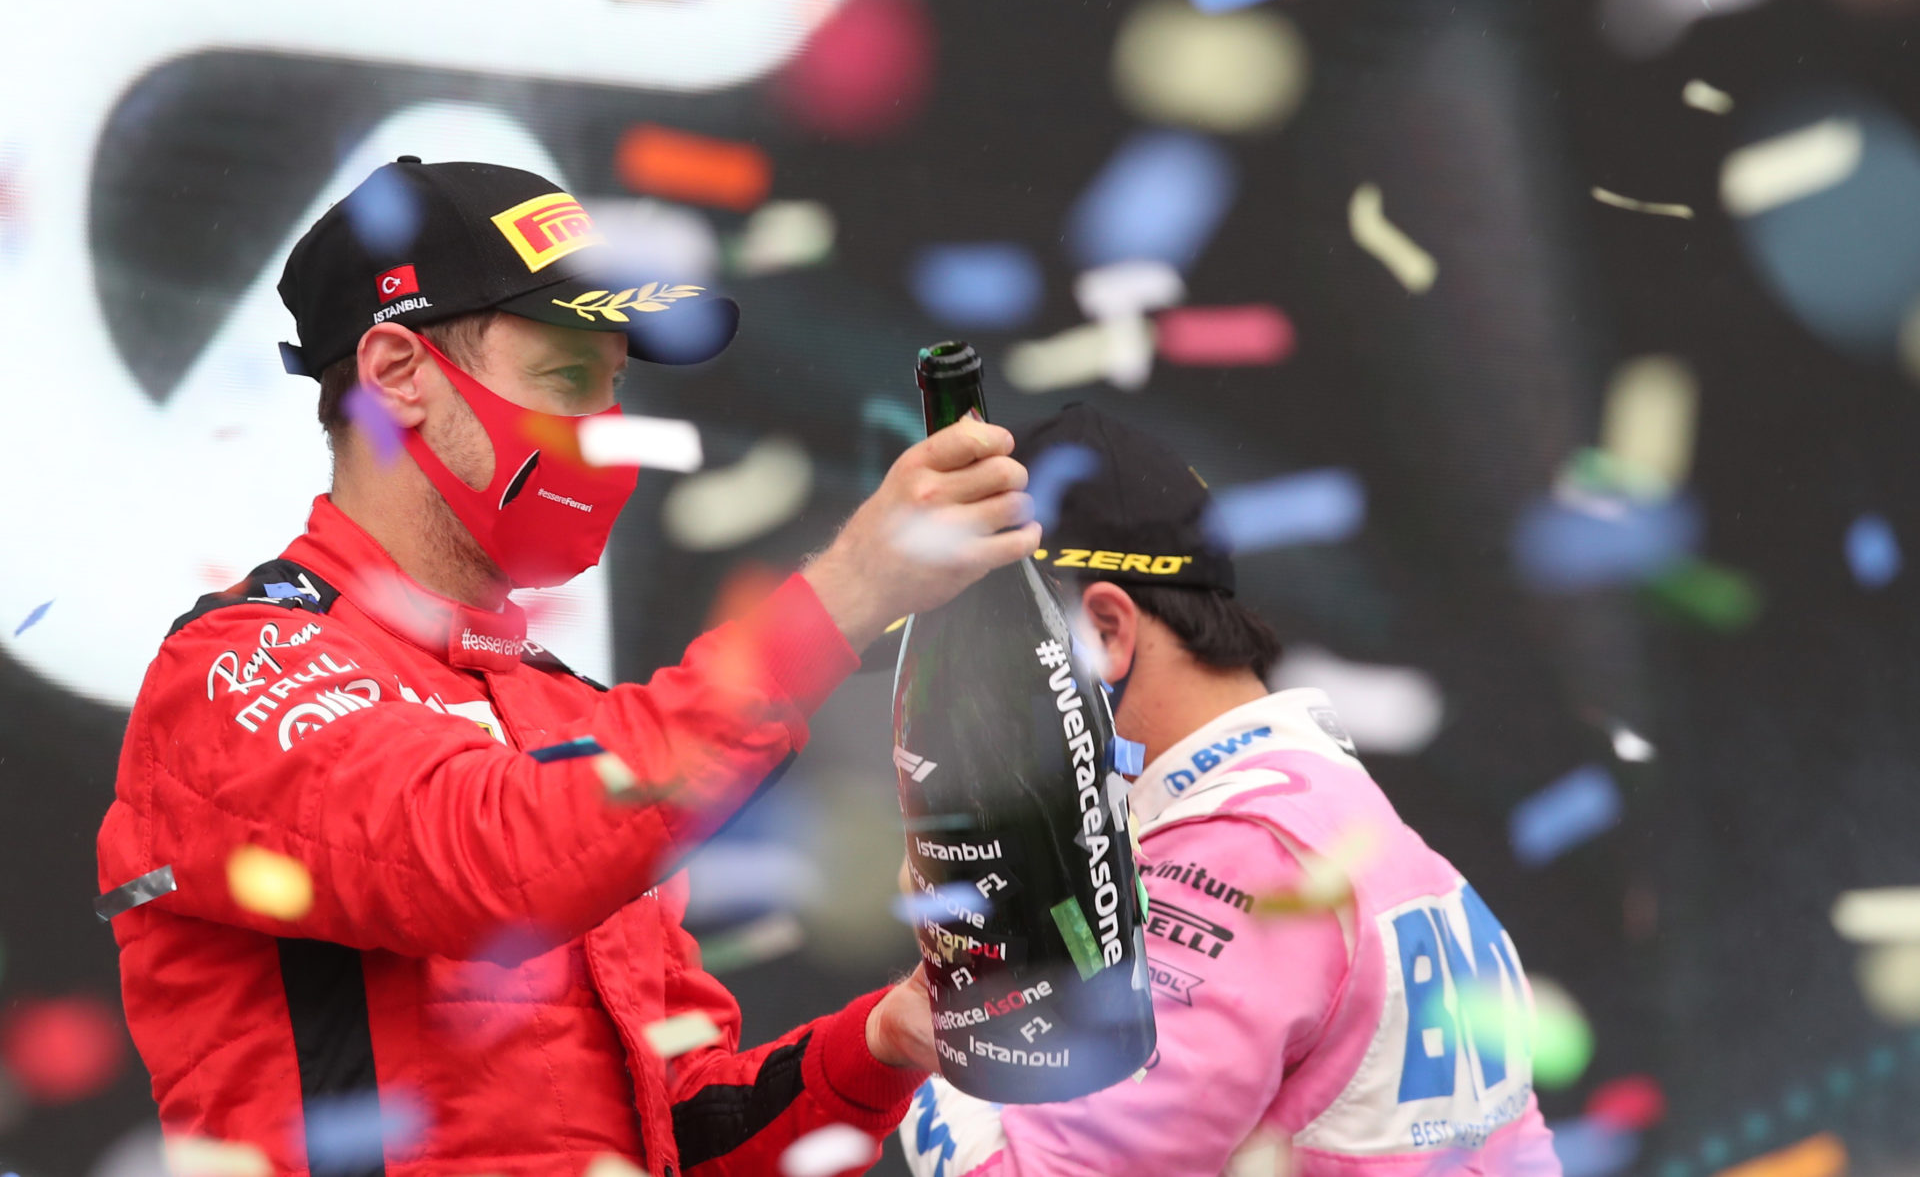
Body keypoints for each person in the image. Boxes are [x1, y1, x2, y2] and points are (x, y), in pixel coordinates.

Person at [95, 158, 1041, 1177]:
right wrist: (847, 589)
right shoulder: (234, 671)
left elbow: (674, 1132)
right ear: (395, 373)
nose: (604, 431)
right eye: (564, 380)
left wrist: (882, 1040)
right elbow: (496, 867)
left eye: (613, 385)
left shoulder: (565, 714)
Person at [900, 403, 1560, 1177]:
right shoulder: (1317, 814)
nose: (963, 710)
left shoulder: (1241, 861)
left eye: (982, 662)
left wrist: (952, 1002)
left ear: (1105, 630)